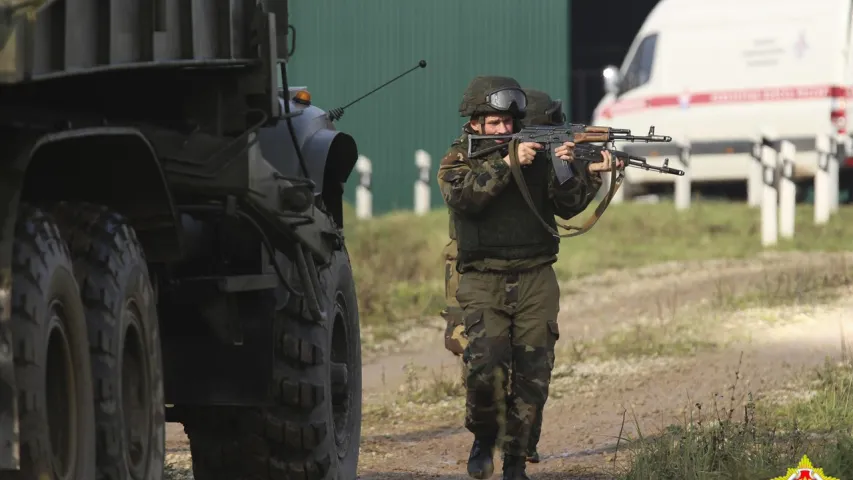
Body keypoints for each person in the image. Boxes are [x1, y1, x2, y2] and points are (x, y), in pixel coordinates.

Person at [437, 76, 621, 480]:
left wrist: (584, 170)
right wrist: (507, 163)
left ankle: (516, 462)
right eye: (494, 124)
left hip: (536, 274)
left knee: (533, 375)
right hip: (483, 277)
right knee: (486, 369)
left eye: (509, 122)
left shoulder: (537, 153)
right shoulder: (458, 159)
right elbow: (465, 200)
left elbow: (568, 208)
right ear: (474, 124)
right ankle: (485, 437)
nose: (504, 130)